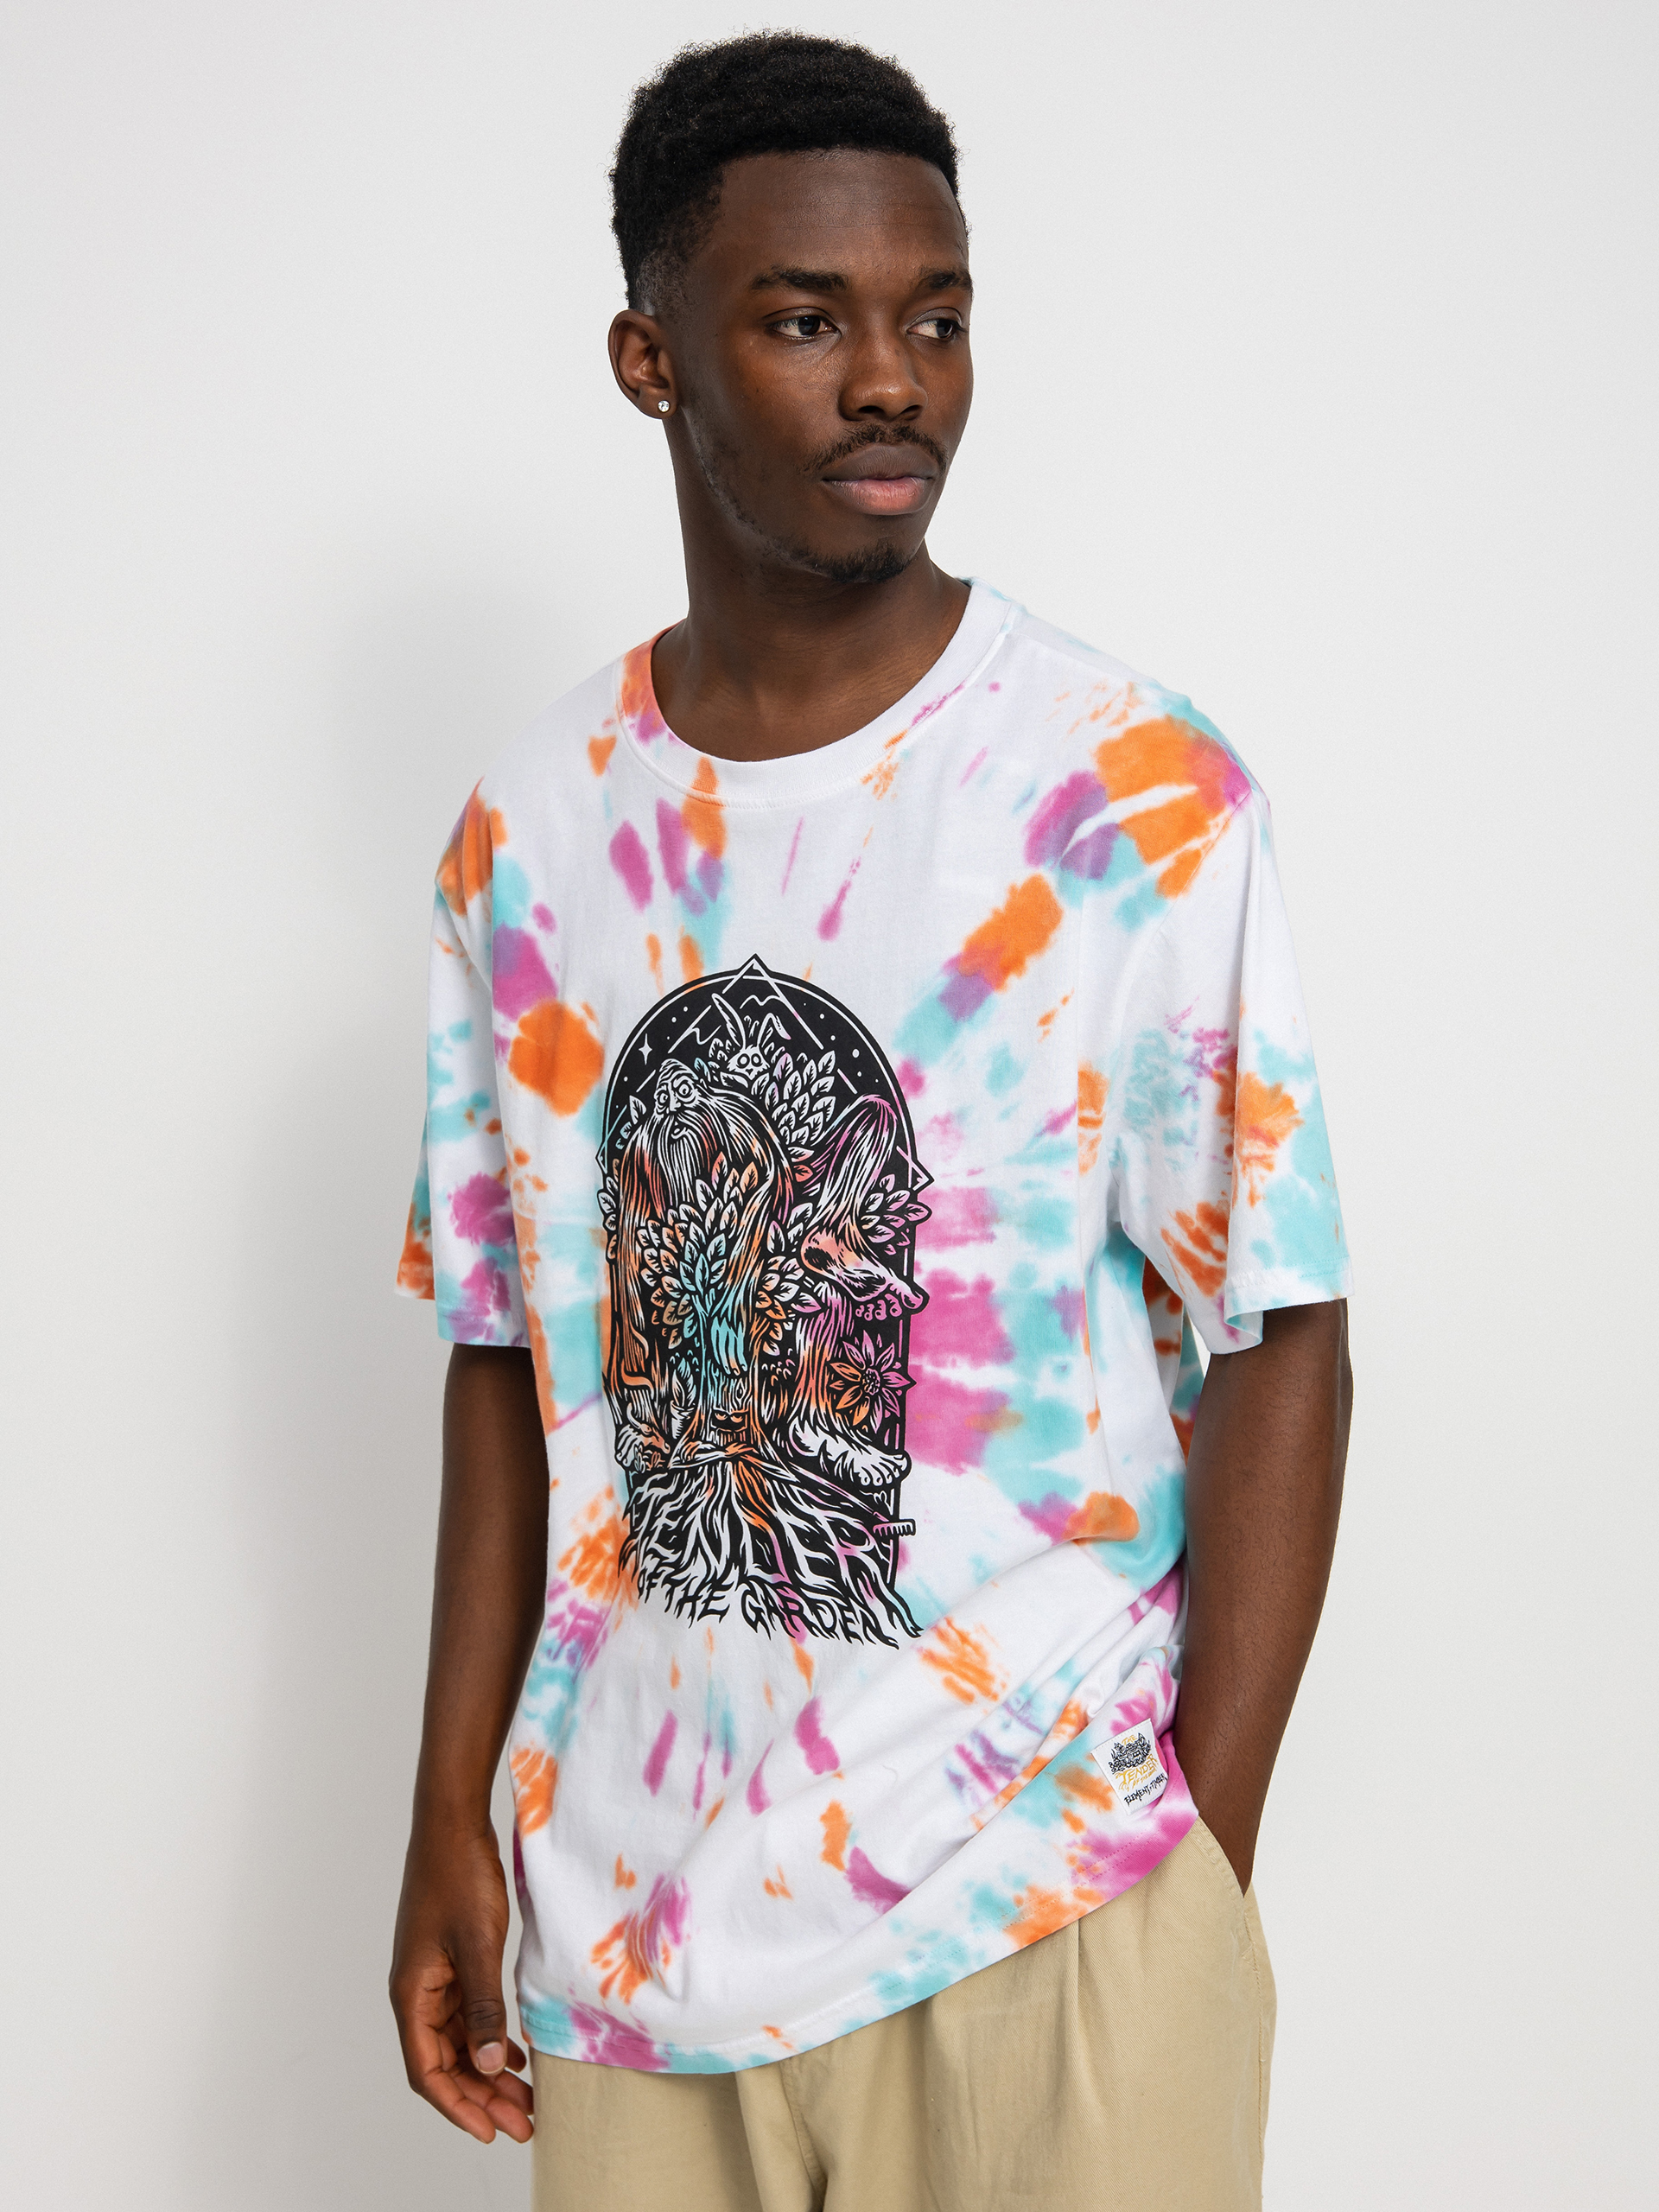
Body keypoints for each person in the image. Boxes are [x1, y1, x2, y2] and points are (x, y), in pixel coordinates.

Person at [389, 32, 1353, 2212]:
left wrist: (1191, 1855)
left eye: (939, 315)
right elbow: (503, 1353)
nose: (896, 380)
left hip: (1045, 1891)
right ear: (651, 357)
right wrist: (449, 1803)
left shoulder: (1126, 794)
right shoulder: (530, 835)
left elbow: (1282, 1325)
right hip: (633, 1920)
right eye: (808, 320)